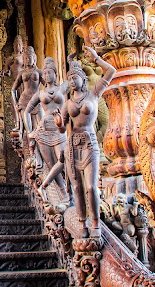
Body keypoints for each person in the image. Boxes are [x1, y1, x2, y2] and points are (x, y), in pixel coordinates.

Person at [58, 46, 115, 238]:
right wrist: (59, 122)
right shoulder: (67, 104)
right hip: (73, 146)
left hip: (90, 142)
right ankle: (82, 224)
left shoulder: (93, 94)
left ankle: (96, 222)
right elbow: (61, 128)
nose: (72, 82)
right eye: (69, 79)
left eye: (75, 78)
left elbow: (111, 72)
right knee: (77, 188)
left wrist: (97, 58)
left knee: (91, 186)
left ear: (83, 78)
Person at [25, 57, 69, 203]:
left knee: (62, 158)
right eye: (45, 72)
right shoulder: (40, 94)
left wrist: (71, 61)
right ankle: (63, 194)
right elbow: (27, 111)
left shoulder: (62, 88)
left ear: (55, 74)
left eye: (49, 72)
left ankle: (46, 186)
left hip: (59, 128)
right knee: (50, 164)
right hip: (43, 130)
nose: (46, 75)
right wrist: (29, 131)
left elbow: (75, 78)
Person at [11, 45, 44, 148]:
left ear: (34, 58)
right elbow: (13, 89)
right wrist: (16, 102)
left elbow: (47, 85)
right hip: (24, 100)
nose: (28, 60)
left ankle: (41, 148)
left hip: (37, 100)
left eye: (30, 58)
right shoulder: (22, 73)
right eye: (26, 58)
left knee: (41, 126)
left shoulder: (39, 72)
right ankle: (31, 149)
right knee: (28, 129)